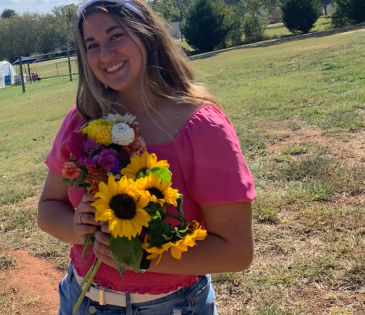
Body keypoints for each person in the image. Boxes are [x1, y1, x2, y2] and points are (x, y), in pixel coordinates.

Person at [37, 0, 256, 314]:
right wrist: (79, 227)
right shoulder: (83, 121)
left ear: (147, 35)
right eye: (92, 45)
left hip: (171, 307)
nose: (105, 54)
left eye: (116, 36)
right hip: (80, 299)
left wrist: (142, 259)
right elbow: (47, 209)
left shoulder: (202, 128)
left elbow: (236, 252)